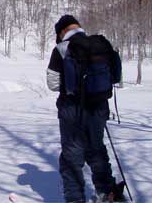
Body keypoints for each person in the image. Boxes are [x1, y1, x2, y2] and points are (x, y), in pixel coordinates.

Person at [46, 15, 125, 203]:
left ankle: (75, 199)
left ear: (62, 31)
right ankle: (108, 193)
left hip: (72, 111)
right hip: (98, 109)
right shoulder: (101, 44)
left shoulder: (62, 49)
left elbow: (53, 84)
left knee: (71, 158)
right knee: (96, 150)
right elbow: (116, 77)